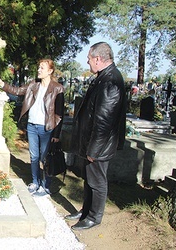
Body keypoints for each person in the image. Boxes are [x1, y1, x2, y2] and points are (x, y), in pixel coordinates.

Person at [66, 42, 126, 230]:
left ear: (98, 59)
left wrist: (93, 150)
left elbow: (103, 123)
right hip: (91, 142)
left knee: (97, 181)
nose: (88, 63)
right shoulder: (103, 77)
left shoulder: (110, 82)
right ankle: (86, 210)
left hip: (99, 145)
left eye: (89, 59)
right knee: (89, 179)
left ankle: (94, 217)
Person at [0, 58, 64, 195]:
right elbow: (17, 91)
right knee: (34, 156)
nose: (39, 70)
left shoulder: (57, 88)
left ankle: (45, 185)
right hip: (32, 126)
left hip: (46, 128)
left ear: (50, 71)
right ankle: (35, 182)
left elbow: (59, 114)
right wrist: (2, 84)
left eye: (42, 68)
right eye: (38, 67)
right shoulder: (34, 84)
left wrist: (56, 134)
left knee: (45, 158)